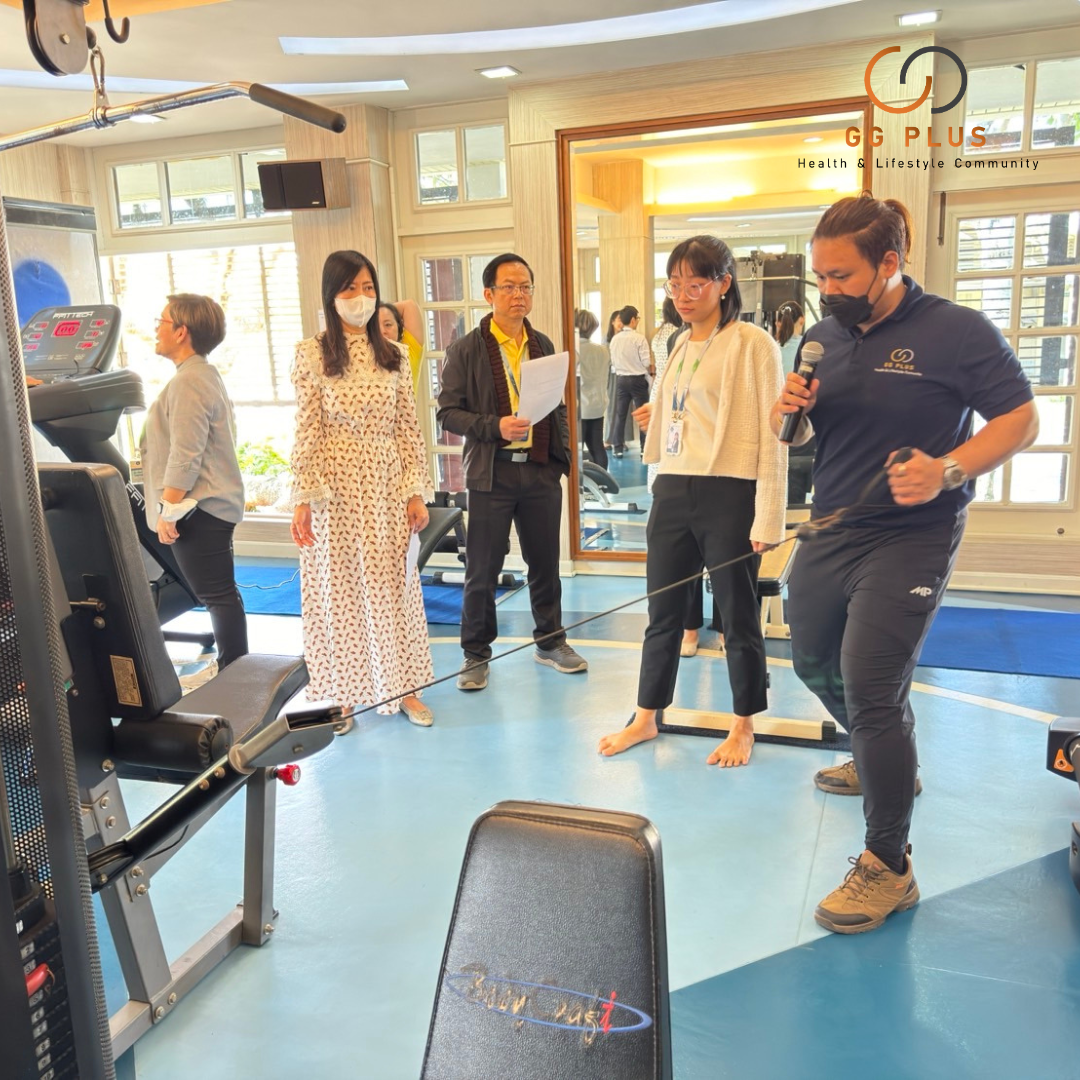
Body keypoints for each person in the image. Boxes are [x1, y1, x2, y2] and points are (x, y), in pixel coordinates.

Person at [773, 193, 1038, 933]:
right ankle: (882, 755)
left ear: (890, 263)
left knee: (871, 685)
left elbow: (1021, 419)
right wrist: (790, 412)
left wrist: (949, 469)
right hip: (835, 526)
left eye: (842, 275)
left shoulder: (956, 332)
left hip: (913, 535)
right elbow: (807, 436)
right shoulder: (821, 337)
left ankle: (888, 866)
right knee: (811, 661)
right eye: (820, 276)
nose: (827, 290)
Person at [597, 235, 787, 767]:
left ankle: (743, 724)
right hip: (674, 486)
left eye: (694, 284)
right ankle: (646, 715)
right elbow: (684, 411)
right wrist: (656, 417)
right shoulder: (679, 343)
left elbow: (775, 434)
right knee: (662, 610)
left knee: (737, 614)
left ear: (724, 283)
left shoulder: (753, 344)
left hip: (729, 489)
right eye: (674, 284)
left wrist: (768, 516)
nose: (682, 295)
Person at [288, 250, 435, 734]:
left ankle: (406, 686)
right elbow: (306, 430)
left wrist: (415, 491)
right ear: (331, 295)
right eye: (350, 288)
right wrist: (302, 498)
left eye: (368, 287)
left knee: (395, 584)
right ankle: (346, 695)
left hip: (387, 484)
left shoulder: (394, 354)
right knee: (342, 590)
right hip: (335, 491)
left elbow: (408, 428)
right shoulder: (311, 354)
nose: (360, 297)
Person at [437, 252, 587, 691]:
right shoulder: (465, 350)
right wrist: (494, 426)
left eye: (525, 287)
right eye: (509, 286)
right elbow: (447, 413)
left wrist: (560, 462)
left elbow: (557, 407)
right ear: (489, 294)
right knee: (482, 569)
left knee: (545, 564)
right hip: (492, 475)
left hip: (539, 471)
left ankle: (551, 642)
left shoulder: (542, 344)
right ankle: (475, 654)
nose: (518, 294)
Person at [141, 293, 248, 671]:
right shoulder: (199, 374)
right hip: (205, 506)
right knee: (220, 593)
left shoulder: (190, 381)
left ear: (181, 331)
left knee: (217, 596)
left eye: (162, 321)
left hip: (198, 508)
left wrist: (169, 510)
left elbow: (187, 453)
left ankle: (234, 675)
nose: (156, 329)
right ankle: (235, 671)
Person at [773, 301, 815, 506]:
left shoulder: (771, 350)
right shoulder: (808, 353)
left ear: (777, 323)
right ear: (802, 320)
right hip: (801, 430)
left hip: (774, 428)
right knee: (795, 497)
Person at [608, 304, 653, 457]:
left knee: (620, 414)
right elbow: (646, 362)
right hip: (638, 380)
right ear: (633, 320)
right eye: (637, 318)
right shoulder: (639, 338)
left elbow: (613, 362)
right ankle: (644, 449)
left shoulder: (615, 339)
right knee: (643, 414)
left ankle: (617, 448)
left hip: (621, 380)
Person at [575, 309, 609, 470]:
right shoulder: (603, 350)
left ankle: (578, 483)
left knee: (577, 449)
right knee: (597, 447)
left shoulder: (574, 350)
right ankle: (602, 481)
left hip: (580, 407)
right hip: (598, 405)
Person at [377, 298, 425, 392]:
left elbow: (409, 305)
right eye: (375, 327)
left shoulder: (408, 352)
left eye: (388, 324)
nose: (382, 331)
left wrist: (381, 310)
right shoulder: (362, 355)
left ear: (398, 327)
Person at [603, 309, 622, 449]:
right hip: (611, 375)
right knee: (611, 408)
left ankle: (620, 440)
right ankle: (609, 439)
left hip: (623, 374)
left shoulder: (625, 337)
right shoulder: (607, 340)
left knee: (623, 409)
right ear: (612, 322)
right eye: (618, 320)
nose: (621, 323)